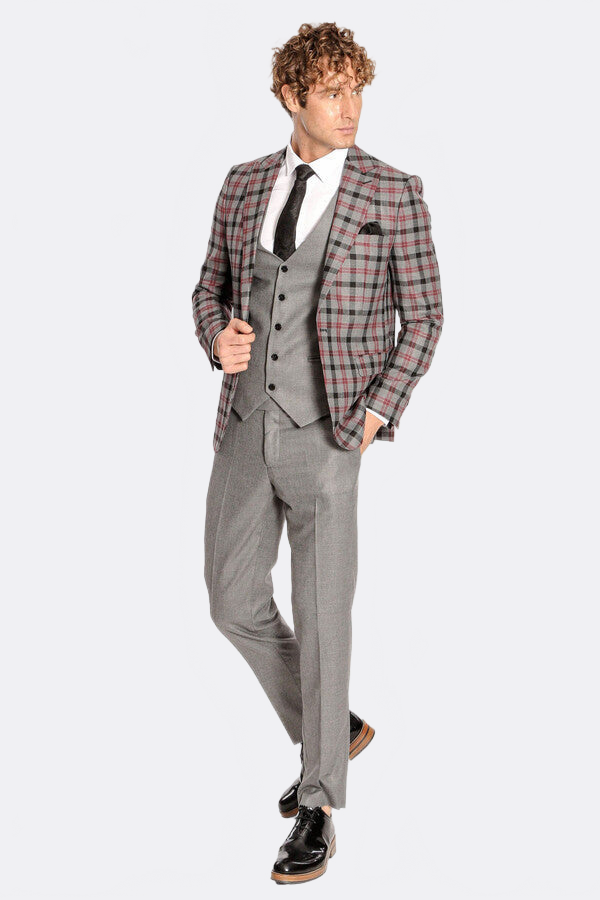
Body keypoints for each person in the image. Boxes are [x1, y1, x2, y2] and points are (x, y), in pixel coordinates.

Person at [191, 21, 443, 884]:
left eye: (357, 89)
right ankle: (333, 728)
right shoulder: (242, 184)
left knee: (324, 615)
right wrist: (214, 336)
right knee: (231, 599)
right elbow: (210, 287)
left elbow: (426, 317)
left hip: (332, 433)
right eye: (332, 91)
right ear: (291, 97)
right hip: (244, 426)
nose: (350, 107)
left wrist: (377, 410)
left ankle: (318, 803)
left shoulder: (393, 193)